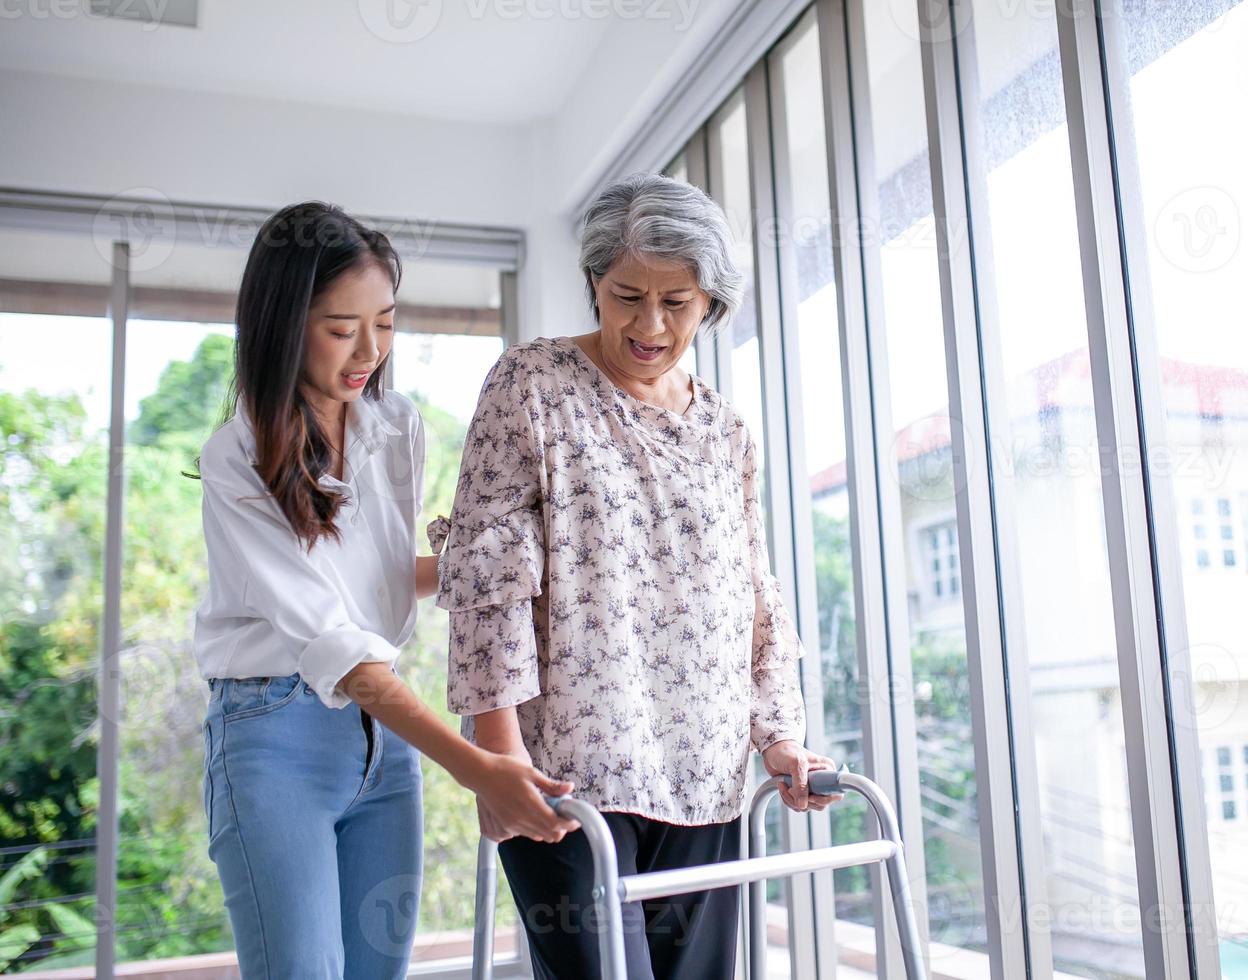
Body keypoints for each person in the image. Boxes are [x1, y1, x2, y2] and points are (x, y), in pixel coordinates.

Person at [427, 173, 839, 980]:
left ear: (710, 303)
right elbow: (487, 585)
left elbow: (751, 593)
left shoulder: (725, 429)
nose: (649, 324)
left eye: (677, 303)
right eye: (626, 296)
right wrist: (502, 763)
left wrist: (781, 736)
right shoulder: (531, 387)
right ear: (592, 285)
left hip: (707, 771)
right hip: (570, 773)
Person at [194, 201, 579, 979]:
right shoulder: (235, 458)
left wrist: (505, 564)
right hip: (273, 737)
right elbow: (333, 644)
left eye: (387, 323)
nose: (368, 350)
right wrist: (475, 765)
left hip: (383, 744)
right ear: (281, 324)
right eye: (341, 329)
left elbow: (373, 580)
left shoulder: (395, 425)